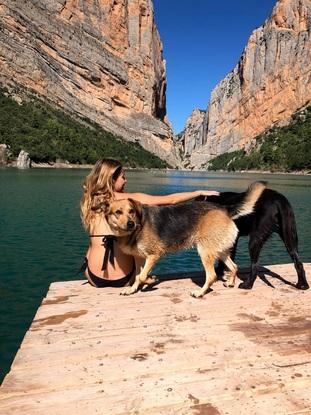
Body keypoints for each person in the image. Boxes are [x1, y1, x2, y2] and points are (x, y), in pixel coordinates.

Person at [80, 158, 219, 288]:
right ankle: (142, 276)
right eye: (123, 177)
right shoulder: (129, 200)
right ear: (111, 179)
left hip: (93, 276)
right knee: (141, 248)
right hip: (122, 278)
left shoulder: (89, 201)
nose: (126, 181)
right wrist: (197, 192)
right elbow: (171, 200)